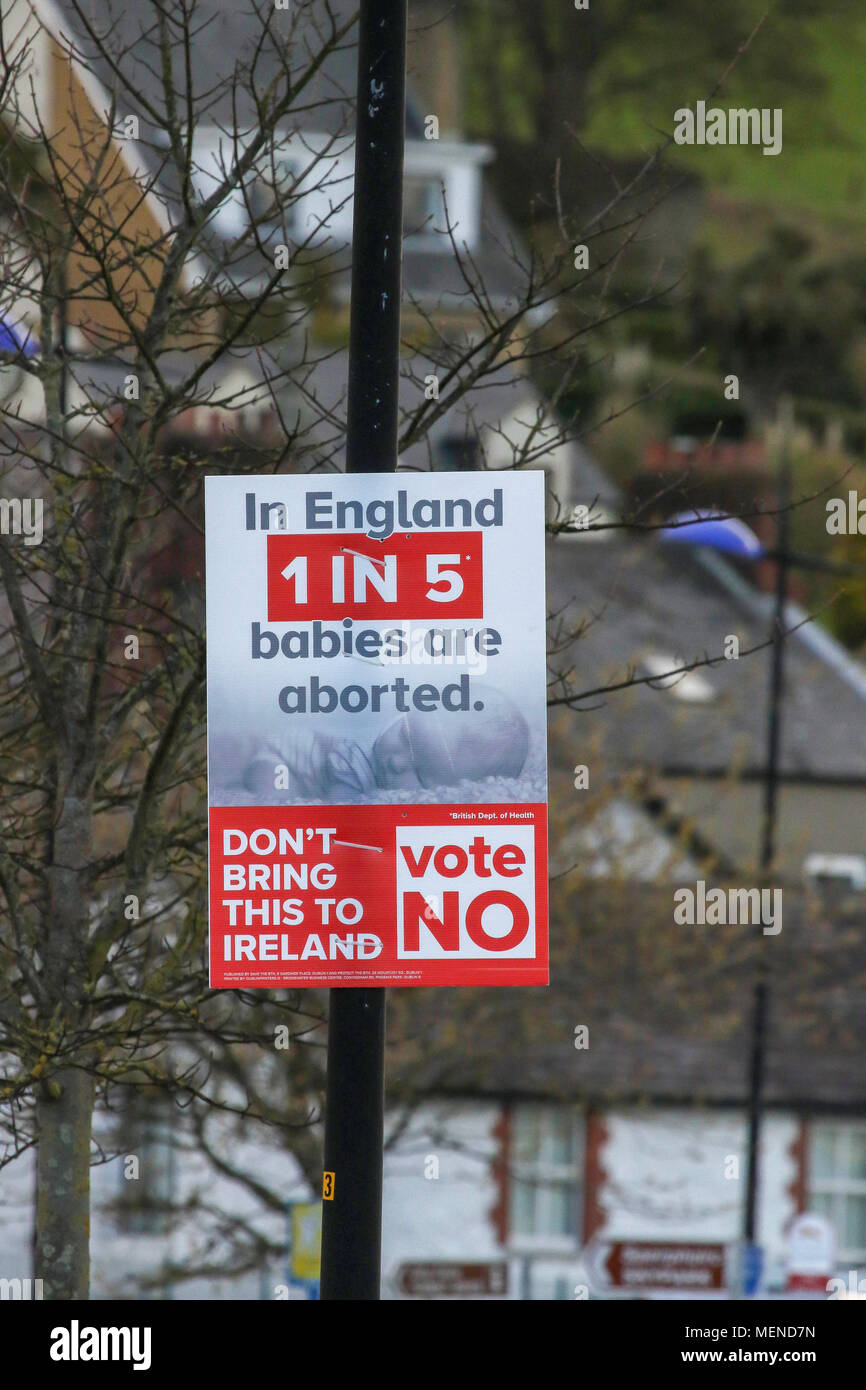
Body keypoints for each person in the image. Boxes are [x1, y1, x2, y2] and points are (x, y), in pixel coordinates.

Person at [241, 684, 530, 800]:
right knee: (276, 799)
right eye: (405, 736)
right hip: (283, 759)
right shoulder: (355, 762)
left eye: (419, 774)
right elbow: (338, 813)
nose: (396, 760)